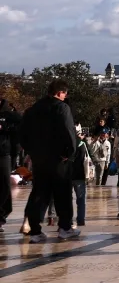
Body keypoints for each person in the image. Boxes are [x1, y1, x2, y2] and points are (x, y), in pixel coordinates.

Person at [21, 79, 79, 242]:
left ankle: (35, 230)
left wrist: (32, 151)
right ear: (61, 93)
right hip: (59, 158)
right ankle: (64, 227)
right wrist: (70, 153)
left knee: (39, 193)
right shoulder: (62, 107)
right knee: (62, 193)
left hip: (39, 158)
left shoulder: (33, 109)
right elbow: (69, 132)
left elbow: (23, 133)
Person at [0, 97, 18, 230]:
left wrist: (6, 128)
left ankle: (1, 216)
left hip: (3, 154)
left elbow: (21, 123)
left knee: (4, 185)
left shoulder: (7, 114)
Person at [70, 127, 92, 228]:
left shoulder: (67, 144)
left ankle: (68, 220)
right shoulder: (82, 144)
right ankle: (81, 220)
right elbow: (85, 159)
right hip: (79, 175)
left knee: (67, 199)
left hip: (68, 175)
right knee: (81, 200)